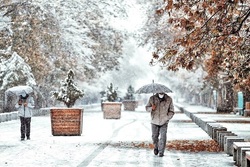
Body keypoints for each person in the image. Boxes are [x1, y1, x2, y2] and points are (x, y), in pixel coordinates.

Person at [146, 92, 175, 157]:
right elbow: (147, 108)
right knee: (154, 136)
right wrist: (151, 108)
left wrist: (167, 118)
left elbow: (172, 111)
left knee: (163, 137)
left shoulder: (169, 99)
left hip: (164, 121)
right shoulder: (152, 98)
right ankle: (156, 147)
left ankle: (161, 152)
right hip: (154, 121)